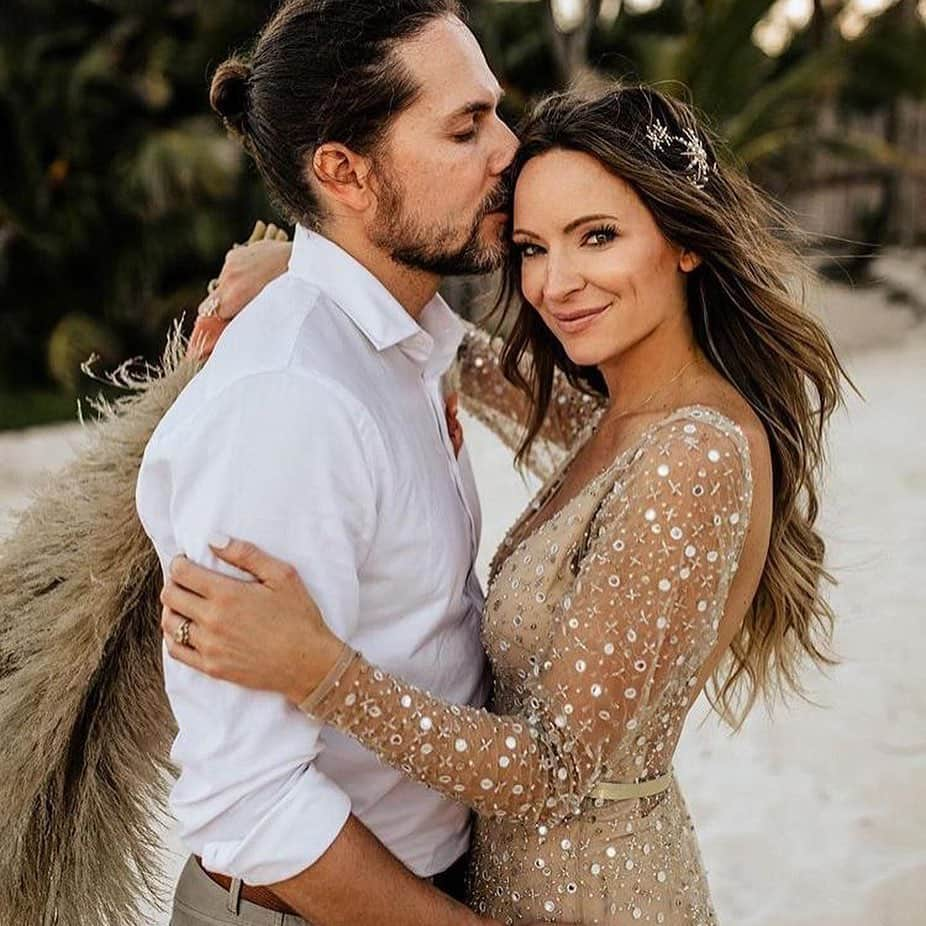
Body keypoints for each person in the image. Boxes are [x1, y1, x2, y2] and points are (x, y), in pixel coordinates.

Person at [160, 85, 847, 925]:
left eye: (596, 237)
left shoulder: (692, 456)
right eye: (531, 247)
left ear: (684, 240)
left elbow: (552, 771)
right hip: (518, 887)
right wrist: (316, 279)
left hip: (593, 896)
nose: (557, 284)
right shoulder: (632, 417)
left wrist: (319, 670)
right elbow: (496, 378)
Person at [134, 2, 528, 926]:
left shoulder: (404, 340)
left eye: (496, 112)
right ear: (345, 172)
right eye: (466, 126)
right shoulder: (291, 401)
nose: (510, 148)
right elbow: (251, 802)